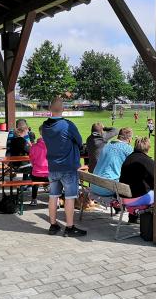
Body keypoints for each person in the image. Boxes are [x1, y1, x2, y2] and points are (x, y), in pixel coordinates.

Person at [41, 97, 86, 237]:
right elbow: (79, 142)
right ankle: (69, 227)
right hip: (68, 167)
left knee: (53, 196)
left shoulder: (44, 127)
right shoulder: (67, 125)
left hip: (53, 166)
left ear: (49, 109)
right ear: (63, 109)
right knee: (70, 197)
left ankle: (53, 225)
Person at [90, 128, 133, 197]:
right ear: (129, 139)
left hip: (94, 185)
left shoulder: (107, 145)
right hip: (107, 188)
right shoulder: (127, 149)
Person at [120, 137, 155, 208]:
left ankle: (133, 218)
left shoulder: (128, 158)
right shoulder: (148, 162)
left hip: (124, 197)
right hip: (135, 198)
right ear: (148, 148)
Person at [29, 125, 49, 206]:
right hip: (49, 175)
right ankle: (57, 200)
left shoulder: (34, 146)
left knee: (34, 180)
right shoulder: (53, 146)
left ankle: (34, 199)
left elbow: (32, 161)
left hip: (36, 174)